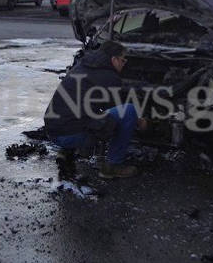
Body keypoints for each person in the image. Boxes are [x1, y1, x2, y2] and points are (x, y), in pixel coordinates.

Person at [44, 40, 147, 179]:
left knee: (82, 113)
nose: (124, 64)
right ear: (113, 59)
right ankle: (112, 167)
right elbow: (116, 112)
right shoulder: (110, 78)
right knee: (129, 111)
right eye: (123, 60)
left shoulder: (82, 65)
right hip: (69, 136)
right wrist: (139, 121)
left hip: (52, 131)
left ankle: (66, 152)